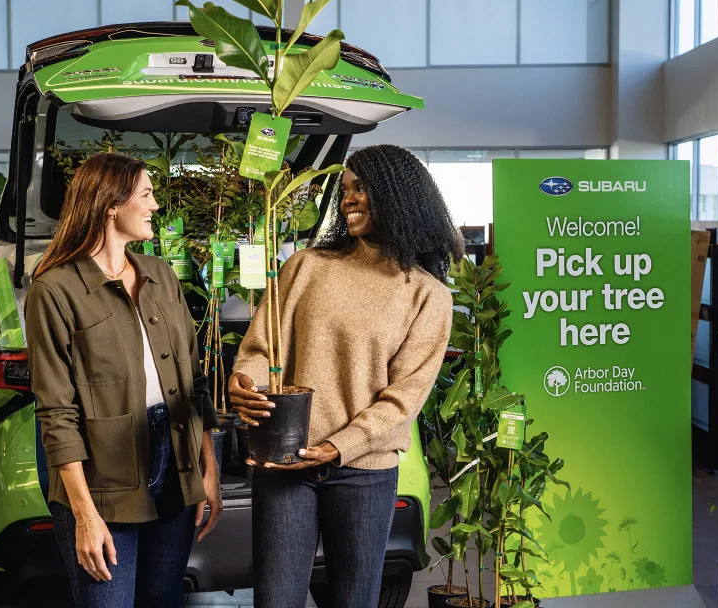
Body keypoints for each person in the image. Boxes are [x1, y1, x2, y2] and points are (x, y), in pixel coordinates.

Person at [229, 144, 463, 608]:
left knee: (353, 600)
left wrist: (341, 446)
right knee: (275, 600)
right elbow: (263, 346)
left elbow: (405, 398)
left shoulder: (426, 294)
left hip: (363, 470)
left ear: (398, 197)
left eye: (361, 189)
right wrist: (245, 381)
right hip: (286, 462)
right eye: (345, 190)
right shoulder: (307, 267)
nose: (348, 200)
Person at [25, 152, 223, 608]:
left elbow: (194, 379)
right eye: (147, 195)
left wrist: (207, 468)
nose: (155, 206)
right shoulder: (54, 290)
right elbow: (56, 411)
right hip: (101, 475)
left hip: (175, 459)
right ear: (111, 204)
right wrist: (84, 515)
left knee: (163, 598)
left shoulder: (160, 274)